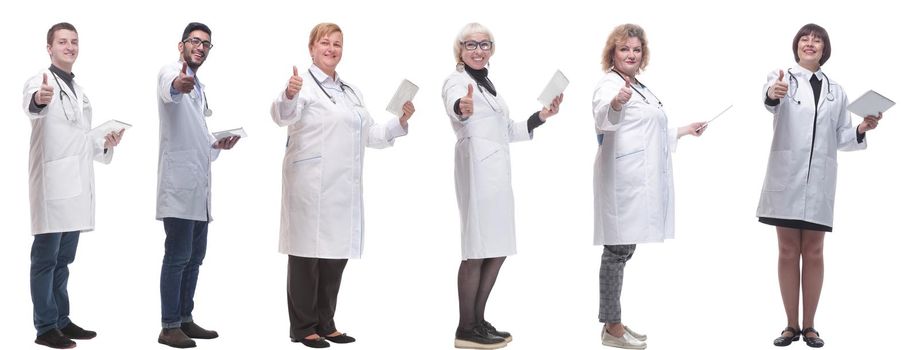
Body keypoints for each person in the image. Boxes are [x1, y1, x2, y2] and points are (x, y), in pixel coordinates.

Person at [270, 22, 414, 349]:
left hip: (342, 187)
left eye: (337, 44)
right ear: (311, 48)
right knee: (307, 257)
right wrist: (289, 94)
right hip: (310, 185)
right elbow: (282, 115)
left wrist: (401, 122)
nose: (331, 49)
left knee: (335, 257)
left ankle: (326, 322)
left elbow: (371, 134)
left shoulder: (350, 91)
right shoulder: (302, 84)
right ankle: (303, 327)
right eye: (325, 43)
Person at [758, 23, 881, 349]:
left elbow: (840, 136)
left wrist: (862, 128)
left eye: (817, 40)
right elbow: (770, 100)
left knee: (813, 252)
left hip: (819, 183)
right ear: (796, 45)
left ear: (825, 50)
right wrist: (774, 93)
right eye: (804, 39)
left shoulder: (835, 91)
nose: (810, 43)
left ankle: (810, 326)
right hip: (786, 177)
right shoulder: (781, 76)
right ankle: (790, 325)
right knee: (787, 251)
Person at [441, 22, 563, 350]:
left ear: (491, 49)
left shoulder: (488, 85)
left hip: (497, 176)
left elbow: (507, 128)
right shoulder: (457, 81)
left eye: (485, 44)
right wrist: (461, 108)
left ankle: (478, 321)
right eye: (471, 45)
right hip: (477, 172)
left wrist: (542, 115)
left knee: (497, 248)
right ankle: (466, 327)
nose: (478, 50)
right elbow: (458, 105)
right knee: (477, 249)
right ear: (460, 50)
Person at [592, 24, 706, 349]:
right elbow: (603, 120)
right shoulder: (608, 85)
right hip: (622, 180)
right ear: (612, 53)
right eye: (624, 49)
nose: (631, 54)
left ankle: (614, 322)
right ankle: (611, 327)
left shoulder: (639, 86)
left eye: (636, 49)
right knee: (616, 251)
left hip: (636, 178)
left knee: (624, 249)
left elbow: (651, 131)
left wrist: (685, 130)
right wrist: (615, 103)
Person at [23, 22, 125, 349]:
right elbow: (32, 103)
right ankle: (45, 327)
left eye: (74, 42)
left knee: (64, 261)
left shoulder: (78, 89)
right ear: (49, 47)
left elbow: (81, 140)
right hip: (52, 186)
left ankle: (62, 321)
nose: (69, 46)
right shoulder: (41, 80)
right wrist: (39, 98)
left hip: (75, 188)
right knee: (45, 259)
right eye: (62, 42)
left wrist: (105, 142)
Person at [155, 22, 241, 349]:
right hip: (178, 189)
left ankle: (186, 319)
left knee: (194, 258)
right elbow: (171, 88)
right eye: (195, 41)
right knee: (177, 257)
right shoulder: (170, 73)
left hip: (199, 192)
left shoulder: (200, 86)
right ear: (182, 46)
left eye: (206, 44)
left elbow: (195, 137)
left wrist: (217, 144)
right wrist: (179, 83)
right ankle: (169, 325)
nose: (200, 47)